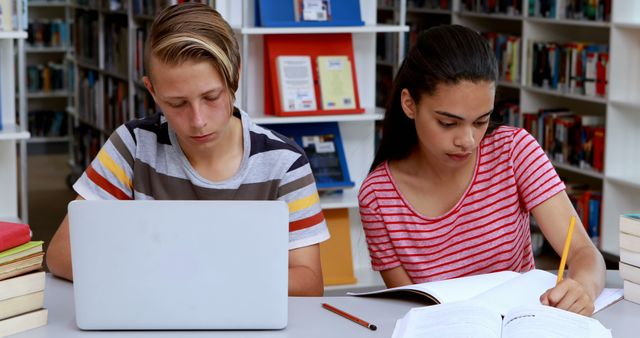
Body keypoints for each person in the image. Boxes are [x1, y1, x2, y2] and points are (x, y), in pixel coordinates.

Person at [46, 3, 329, 296]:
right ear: (152, 91)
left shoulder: (284, 162)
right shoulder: (133, 145)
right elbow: (61, 254)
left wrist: (189, 277)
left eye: (211, 96)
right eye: (177, 103)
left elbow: (309, 282)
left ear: (235, 75)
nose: (198, 121)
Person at [358, 25, 605, 315]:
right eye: (448, 123)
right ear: (409, 104)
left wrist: (583, 288)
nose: (468, 141)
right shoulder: (378, 196)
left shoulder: (514, 151)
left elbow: (583, 253)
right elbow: (411, 308)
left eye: (480, 121)